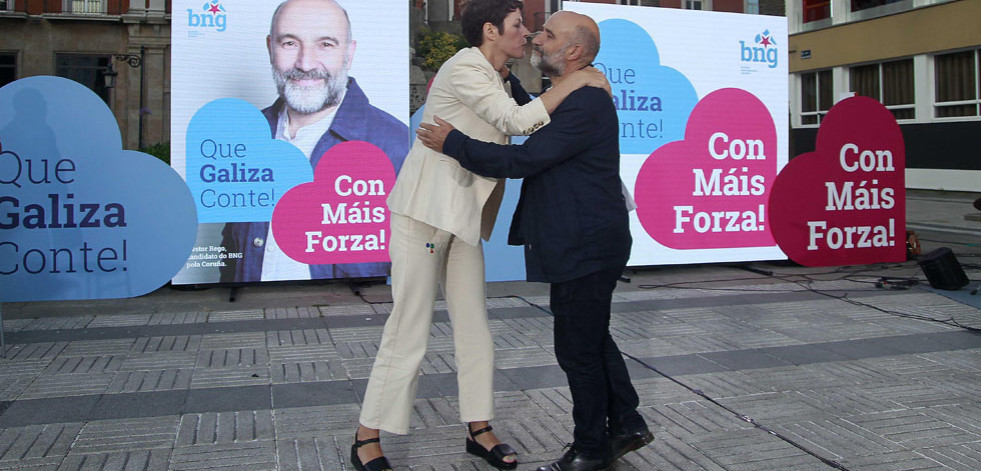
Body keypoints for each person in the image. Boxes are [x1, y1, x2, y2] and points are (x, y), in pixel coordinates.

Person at [352, 1, 610, 471]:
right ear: (491, 31)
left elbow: (538, 122)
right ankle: (367, 435)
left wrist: (581, 85)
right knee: (408, 329)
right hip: (426, 216)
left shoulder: (502, 77)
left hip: (464, 219)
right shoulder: (465, 67)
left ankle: (479, 427)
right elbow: (515, 123)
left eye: (533, 28)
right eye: (519, 26)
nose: (530, 35)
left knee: (475, 329)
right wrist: (579, 79)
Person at [416, 10, 653, 471]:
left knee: (576, 350)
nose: (536, 38)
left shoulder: (586, 103)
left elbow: (527, 159)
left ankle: (589, 448)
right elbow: (530, 114)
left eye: (547, 34)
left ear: (574, 52)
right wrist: (505, 79)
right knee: (591, 338)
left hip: (585, 244)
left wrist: (453, 143)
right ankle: (625, 422)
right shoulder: (573, 96)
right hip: (587, 241)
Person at [219, 0, 409, 283]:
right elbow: (231, 247)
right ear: (271, 47)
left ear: (349, 52)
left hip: (342, 323)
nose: (305, 64)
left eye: (326, 45)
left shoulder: (394, 145)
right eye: (289, 43)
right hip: (250, 316)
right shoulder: (247, 136)